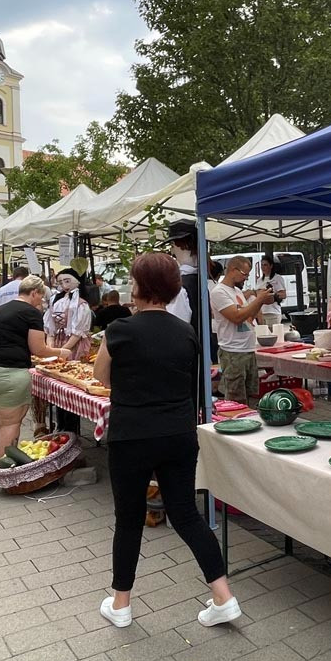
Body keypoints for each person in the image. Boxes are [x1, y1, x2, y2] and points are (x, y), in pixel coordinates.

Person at [93, 252, 240, 629]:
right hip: (178, 432)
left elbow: (101, 377)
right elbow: (192, 382)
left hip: (132, 434)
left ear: (138, 287)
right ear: (174, 288)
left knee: (129, 520)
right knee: (186, 514)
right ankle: (223, 596)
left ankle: (121, 604)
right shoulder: (186, 332)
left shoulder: (118, 330)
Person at [0, 276, 71, 458]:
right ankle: (7, 466)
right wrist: (62, 352)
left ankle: (5, 460)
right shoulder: (31, 313)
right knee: (11, 423)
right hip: (9, 374)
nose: (41, 301)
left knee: (4, 422)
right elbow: (38, 349)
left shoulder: (0, 310)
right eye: (41, 296)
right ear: (34, 293)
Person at [211, 256, 274, 404]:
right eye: (245, 274)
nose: (246, 278)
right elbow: (236, 317)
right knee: (236, 398)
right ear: (233, 270)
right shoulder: (219, 292)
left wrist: (261, 301)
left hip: (247, 349)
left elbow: (248, 317)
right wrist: (258, 299)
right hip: (233, 351)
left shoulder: (237, 292)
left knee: (251, 395)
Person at [45, 268, 94, 360]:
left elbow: (77, 333)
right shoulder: (55, 300)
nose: (64, 285)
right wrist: (51, 348)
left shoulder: (80, 304)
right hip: (58, 341)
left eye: (67, 281)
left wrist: (62, 350)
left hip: (74, 344)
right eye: (60, 282)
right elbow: (50, 329)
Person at [257, 254, 286, 327]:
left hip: (273, 312)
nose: (263, 267)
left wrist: (273, 295)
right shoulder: (259, 280)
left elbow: (283, 294)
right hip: (262, 312)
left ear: (271, 266)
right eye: (262, 265)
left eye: (265, 265)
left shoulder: (277, 278)